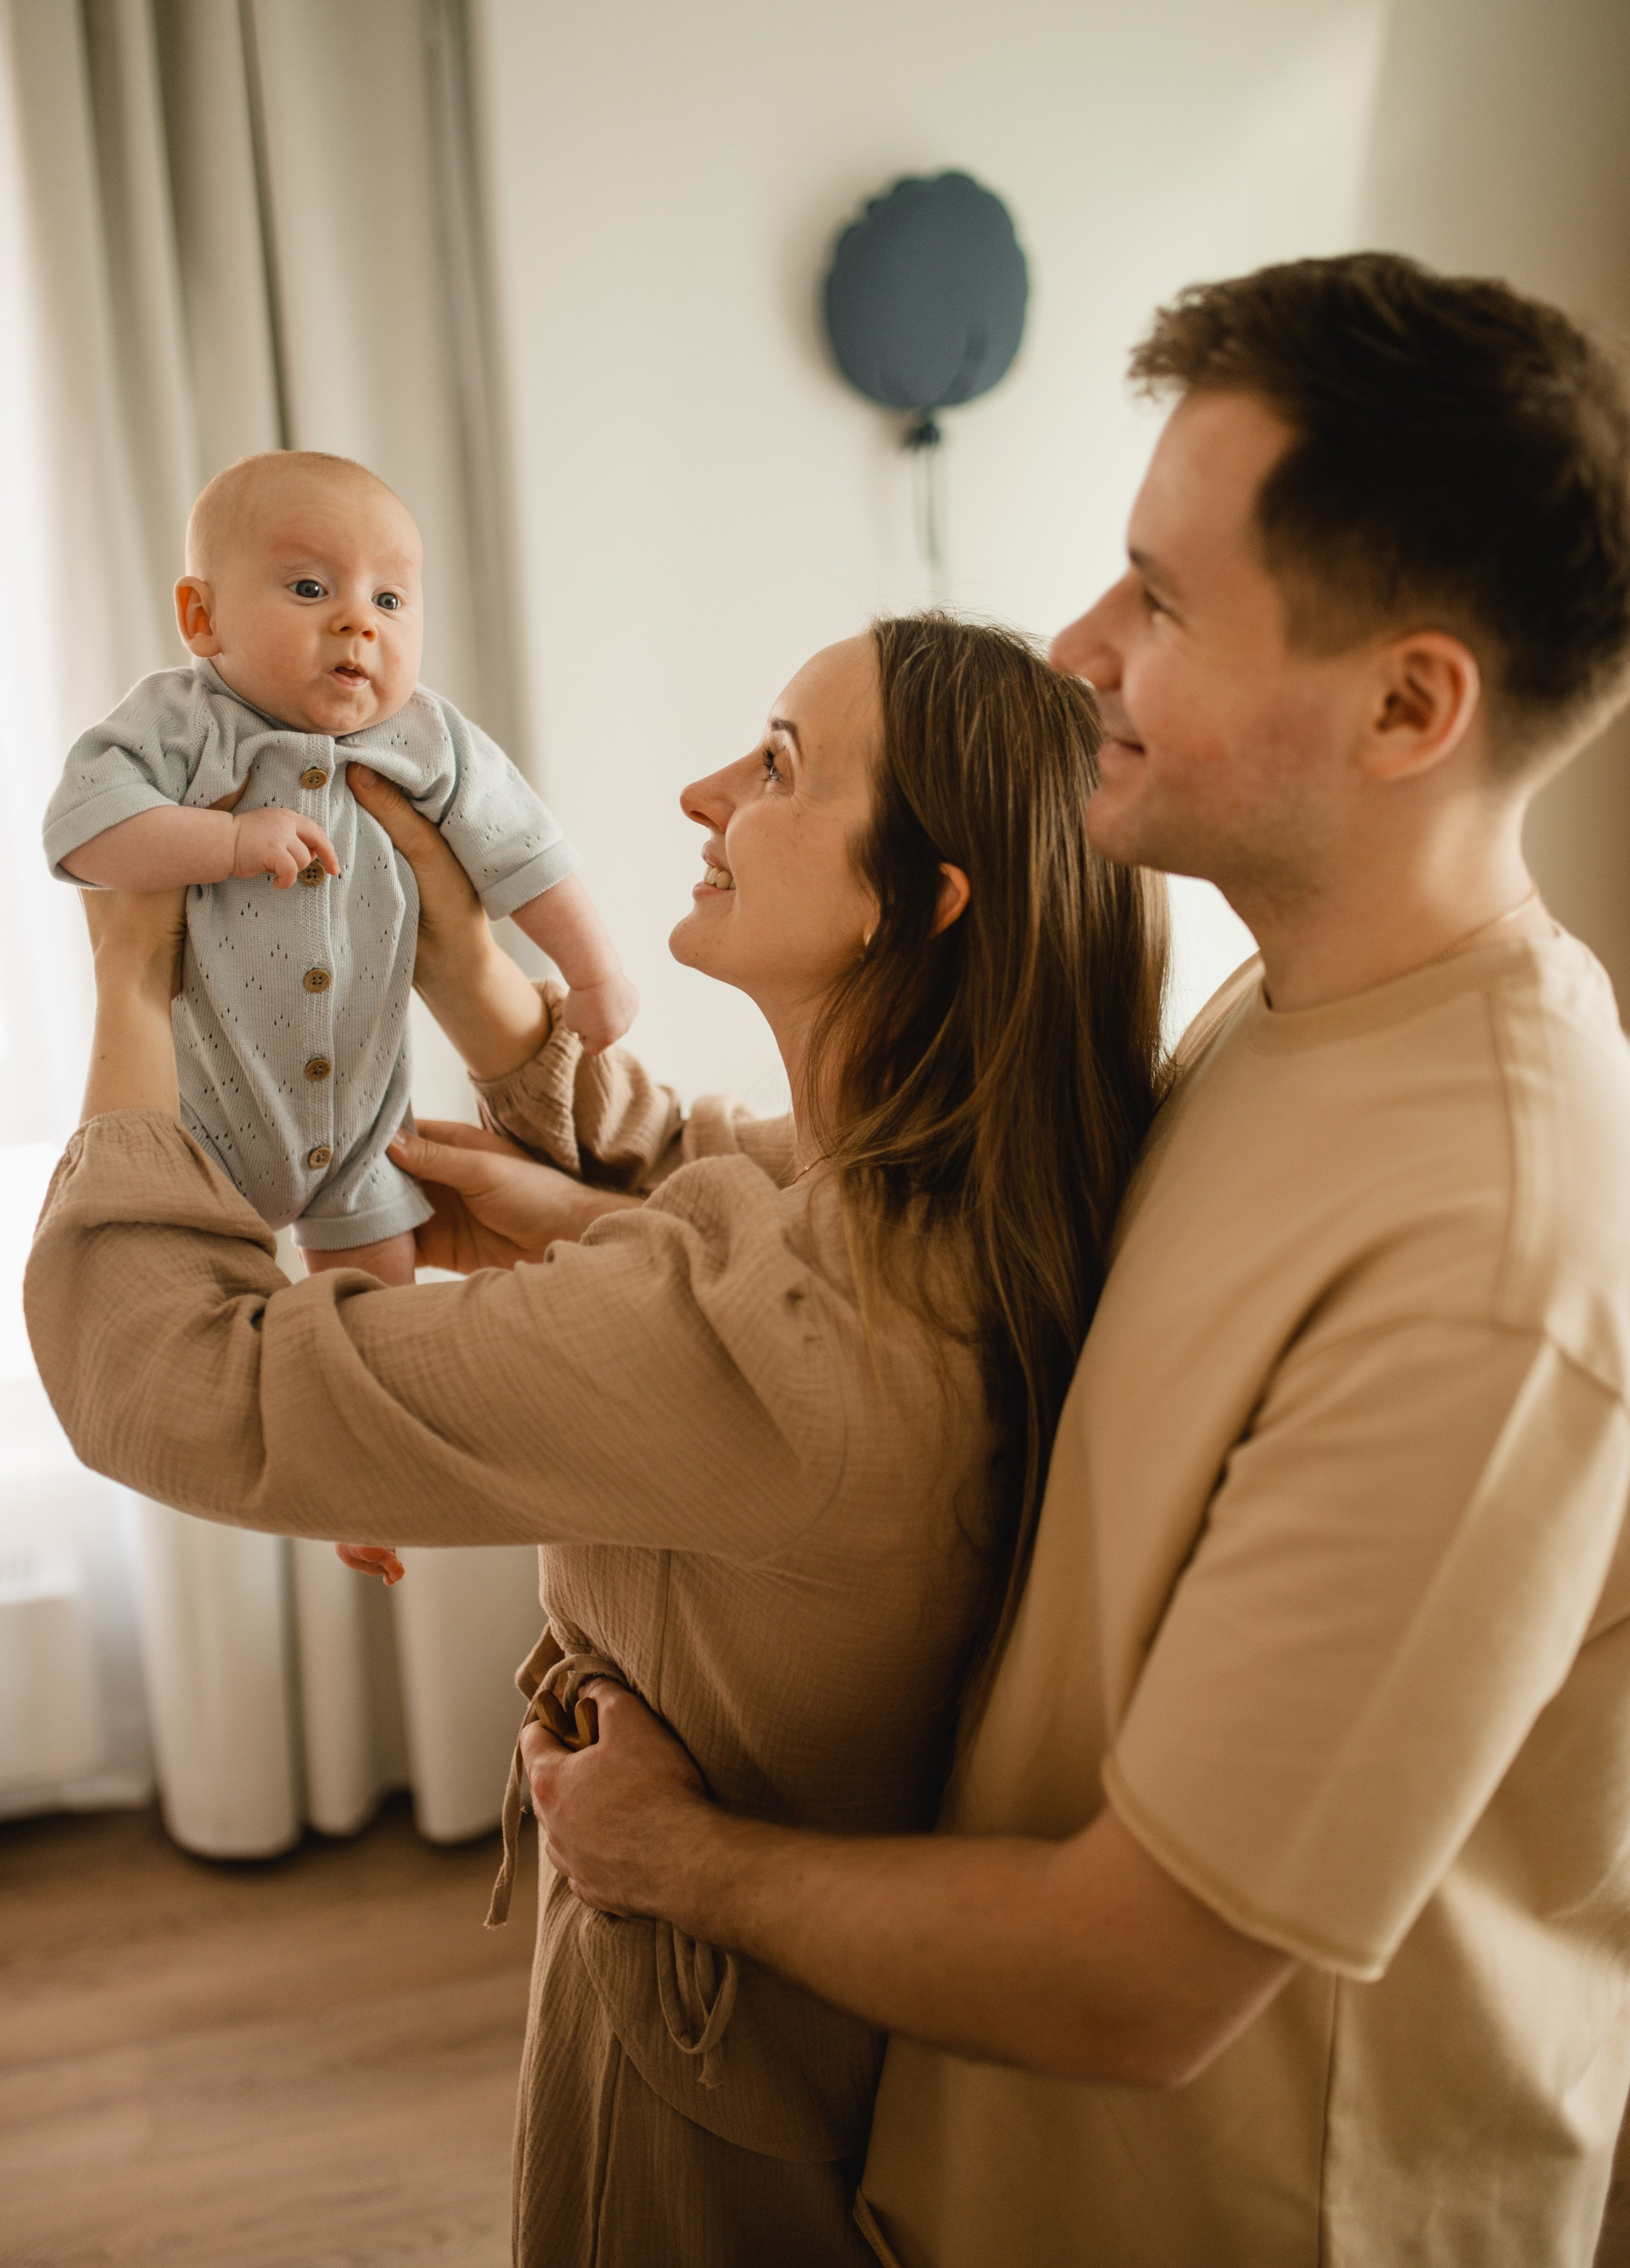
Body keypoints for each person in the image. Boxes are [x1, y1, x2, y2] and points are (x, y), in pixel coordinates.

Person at [516, 255, 1630, 2268]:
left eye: (1164, 604)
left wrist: (691, 1864)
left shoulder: (1497, 1248)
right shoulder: (1283, 1012)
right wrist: (587, 1191)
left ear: (1409, 705)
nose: (1078, 644)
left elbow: (1147, 1977)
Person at [25, 616, 1167, 2268]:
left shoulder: (785, 1339)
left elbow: (166, 1375)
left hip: (715, 2087)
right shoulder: (963, 1197)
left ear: (922, 901)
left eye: (775, 765)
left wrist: (136, 984)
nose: (704, 795)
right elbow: (713, 1177)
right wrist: (475, 979)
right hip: (790, 2045)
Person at [44, 449, 635, 1297]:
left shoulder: (430, 739)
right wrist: (231, 846)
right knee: (191, 1305)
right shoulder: (182, 722)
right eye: (312, 589)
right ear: (202, 617)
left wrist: (594, 970)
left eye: (389, 600)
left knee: (374, 1335)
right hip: (203, 1115)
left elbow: (529, 852)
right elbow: (84, 832)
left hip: (361, 1128)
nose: (360, 623)